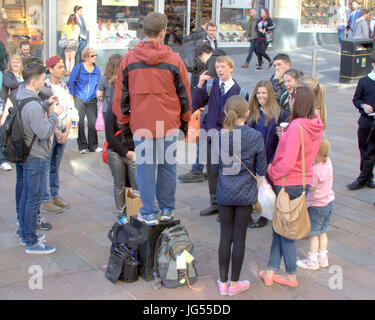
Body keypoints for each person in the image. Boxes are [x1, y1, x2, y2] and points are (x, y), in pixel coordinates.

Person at [112, 12, 192, 226]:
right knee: (167, 165)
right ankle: (166, 210)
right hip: (167, 123)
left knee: (146, 167)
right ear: (164, 32)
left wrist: (124, 122)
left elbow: (121, 97)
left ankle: (148, 212)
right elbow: (184, 93)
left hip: (142, 123)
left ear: (143, 32)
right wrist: (185, 120)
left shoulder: (129, 59)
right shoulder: (174, 59)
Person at [259, 86, 324, 288]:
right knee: (281, 228)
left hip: (287, 181)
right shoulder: (315, 123)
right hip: (301, 179)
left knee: (285, 230)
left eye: (292, 98)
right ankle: (271, 270)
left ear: (299, 101)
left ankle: (290, 275)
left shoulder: (297, 126)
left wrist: (270, 173)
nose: (290, 102)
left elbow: (286, 162)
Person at [213, 95, 267, 296]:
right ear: (247, 113)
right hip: (245, 192)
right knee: (240, 237)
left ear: (226, 112)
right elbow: (261, 168)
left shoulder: (219, 135)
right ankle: (234, 283)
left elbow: (214, 166)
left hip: (225, 191)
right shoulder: (255, 136)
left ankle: (223, 282)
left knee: (225, 236)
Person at [192, 55, 249, 217]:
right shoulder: (212, 85)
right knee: (212, 170)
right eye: (217, 67)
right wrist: (200, 84)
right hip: (211, 136)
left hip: (229, 138)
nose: (220, 70)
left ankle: (226, 206)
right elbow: (196, 104)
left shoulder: (241, 92)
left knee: (228, 172)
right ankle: (215, 203)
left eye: (223, 67)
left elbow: (244, 118)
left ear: (231, 68)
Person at [17, 63, 64, 254]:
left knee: (26, 196)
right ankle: (31, 241)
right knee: (33, 199)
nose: (45, 81)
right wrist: (53, 115)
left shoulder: (22, 95)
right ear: (34, 81)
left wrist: (45, 104)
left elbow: (31, 115)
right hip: (35, 156)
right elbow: (44, 131)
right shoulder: (33, 105)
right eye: (43, 78)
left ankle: (25, 233)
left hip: (25, 152)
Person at [178, 44, 226, 183]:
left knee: (204, 139)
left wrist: (200, 86)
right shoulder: (221, 59)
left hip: (212, 109)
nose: (202, 61)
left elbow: (204, 94)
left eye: (201, 58)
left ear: (204, 54)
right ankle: (204, 168)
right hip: (218, 109)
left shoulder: (212, 63)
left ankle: (197, 169)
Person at [247, 80, 289, 228]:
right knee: (256, 186)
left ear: (270, 94)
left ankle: (265, 215)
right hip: (255, 157)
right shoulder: (253, 113)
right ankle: (257, 211)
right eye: (258, 93)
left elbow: (283, 141)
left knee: (268, 187)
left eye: (264, 93)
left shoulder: (281, 114)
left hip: (271, 157)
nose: (261, 96)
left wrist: (273, 160)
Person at [39, 56, 73, 214]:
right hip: (50, 132)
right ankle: (45, 199)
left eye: (62, 66)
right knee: (45, 166)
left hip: (62, 130)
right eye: (59, 67)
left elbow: (69, 109)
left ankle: (55, 194)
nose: (63, 69)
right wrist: (57, 132)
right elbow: (45, 112)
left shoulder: (64, 86)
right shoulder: (44, 87)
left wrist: (66, 131)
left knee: (55, 166)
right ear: (50, 69)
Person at [297, 136, 334, 270]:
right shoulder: (328, 162)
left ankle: (312, 260)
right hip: (329, 202)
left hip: (317, 205)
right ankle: (323, 258)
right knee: (323, 231)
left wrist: (303, 182)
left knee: (313, 234)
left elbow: (311, 187)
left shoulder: (316, 169)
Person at [347, 52, 375, 190]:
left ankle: (363, 179)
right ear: (373, 64)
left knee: (371, 151)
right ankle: (368, 177)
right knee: (364, 149)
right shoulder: (364, 81)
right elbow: (356, 99)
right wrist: (363, 106)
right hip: (366, 121)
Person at [68, 47, 101, 154]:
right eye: (92, 55)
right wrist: (72, 97)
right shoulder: (78, 68)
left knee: (93, 122)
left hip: (92, 99)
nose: (94, 57)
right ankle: (82, 145)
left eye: (95, 55)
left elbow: (99, 84)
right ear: (86, 57)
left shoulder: (97, 70)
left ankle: (93, 145)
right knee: (80, 122)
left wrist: (98, 94)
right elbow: (71, 83)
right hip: (79, 98)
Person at [97, 54, 122, 121]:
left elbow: (99, 94)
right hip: (121, 108)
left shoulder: (104, 78)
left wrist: (102, 100)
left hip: (107, 108)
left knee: (109, 130)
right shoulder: (124, 77)